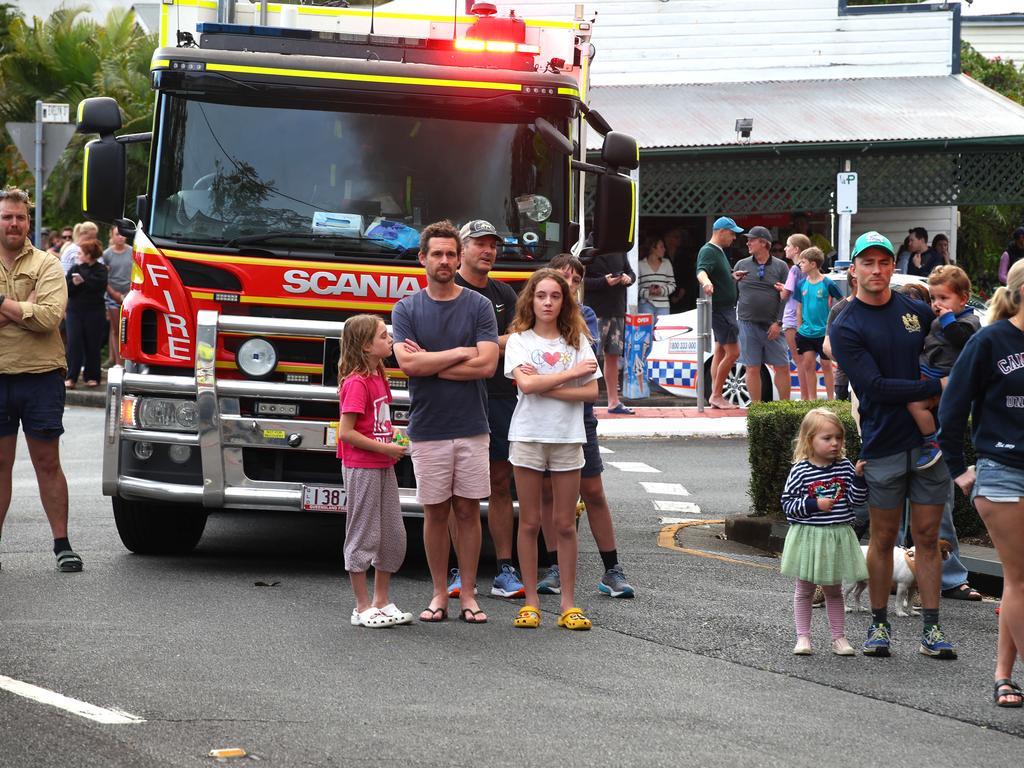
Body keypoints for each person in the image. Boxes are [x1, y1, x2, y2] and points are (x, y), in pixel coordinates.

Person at [828, 231, 956, 659]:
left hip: (927, 446)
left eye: (884, 262)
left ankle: (932, 629)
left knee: (926, 536)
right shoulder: (846, 324)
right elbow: (875, 388)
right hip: (882, 443)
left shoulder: (915, 310)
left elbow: (951, 343)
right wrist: (933, 386)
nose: (877, 270)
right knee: (882, 538)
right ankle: (879, 625)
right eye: (868, 263)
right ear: (854, 270)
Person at [391, 220, 498, 624]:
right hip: (429, 427)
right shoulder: (406, 308)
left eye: (451, 253)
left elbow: (487, 365)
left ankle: (468, 594)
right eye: (437, 253)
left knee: (469, 512)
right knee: (435, 512)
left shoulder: (479, 306)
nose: (445, 260)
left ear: (458, 258)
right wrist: (460, 351)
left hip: (472, 424)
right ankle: (439, 594)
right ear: (422, 258)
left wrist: (431, 362)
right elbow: (406, 364)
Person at [938, 258, 1024, 706]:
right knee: (1021, 578)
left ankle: (1004, 676)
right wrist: (959, 470)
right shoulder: (990, 340)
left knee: (1017, 581)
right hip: (1004, 472)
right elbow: (951, 409)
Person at [504, 269, 600, 631]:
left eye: (555, 296)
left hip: (567, 436)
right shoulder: (519, 340)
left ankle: (569, 604)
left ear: (565, 301)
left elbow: (591, 393)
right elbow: (525, 386)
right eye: (541, 295)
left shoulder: (577, 340)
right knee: (528, 521)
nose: (547, 302)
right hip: (528, 436)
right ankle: (530, 603)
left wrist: (545, 385)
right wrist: (568, 374)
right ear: (531, 299)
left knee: (564, 523)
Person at [538, 253, 635, 599]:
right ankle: (552, 566)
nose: (568, 285)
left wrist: (546, 379)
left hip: (580, 418)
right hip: (542, 419)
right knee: (548, 493)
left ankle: (612, 569)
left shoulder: (586, 315)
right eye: (561, 277)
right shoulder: (531, 321)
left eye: (575, 280)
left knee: (593, 490)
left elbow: (585, 360)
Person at [0, 188, 81, 573]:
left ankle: (62, 544)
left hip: (41, 376)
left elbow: (50, 318)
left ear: (29, 222)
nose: (13, 223)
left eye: (19, 217)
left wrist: (1, 304)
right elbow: (37, 313)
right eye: (6, 217)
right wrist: (24, 306)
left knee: (47, 462)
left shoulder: (48, 264)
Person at [449, 219, 524, 600]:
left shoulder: (504, 292)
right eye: (480, 244)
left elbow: (521, 338)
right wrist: (492, 345)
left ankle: (504, 569)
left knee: (499, 482)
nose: (488, 251)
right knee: (455, 489)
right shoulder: (449, 291)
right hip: (457, 398)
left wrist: (480, 345)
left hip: (499, 397)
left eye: (492, 245)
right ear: (462, 249)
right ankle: (456, 571)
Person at [337, 314, 411, 628]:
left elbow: (376, 424)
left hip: (381, 465)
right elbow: (346, 432)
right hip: (362, 467)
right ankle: (361, 606)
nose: (390, 339)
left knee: (392, 535)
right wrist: (385, 448)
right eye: (383, 336)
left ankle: (381, 601)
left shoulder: (379, 376)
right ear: (367, 346)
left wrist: (393, 437)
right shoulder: (356, 382)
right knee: (363, 534)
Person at [780, 408, 868, 656]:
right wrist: (813, 505)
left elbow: (856, 500)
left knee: (833, 589)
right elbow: (788, 505)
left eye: (838, 438)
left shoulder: (845, 467)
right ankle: (803, 637)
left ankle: (839, 637)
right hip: (809, 536)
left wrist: (859, 479)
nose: (835, 443)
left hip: (837, 536)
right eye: (827, 438)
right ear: (810, 440)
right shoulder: (800, 470)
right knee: (804, 589)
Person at [905, 266, 980, 471]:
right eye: (933, 298)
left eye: (943, 298)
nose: (937, 304)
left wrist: (947, 320)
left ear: (963, 299)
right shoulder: (940, 318)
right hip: (929, 374)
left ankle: (932, 442)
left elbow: (963, 340)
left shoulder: (968, 321)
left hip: (944, 379)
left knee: (915, 405)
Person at [733, 225, 791, 403]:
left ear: (764, 243)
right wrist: (732, 278)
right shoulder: (741, 264)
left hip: (773, 325)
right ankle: (756, 409)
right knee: (752, 367)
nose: (748, 242)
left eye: (752, 239)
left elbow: (787, 297)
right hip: (747, 323)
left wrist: (778, 322)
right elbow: (732, 292)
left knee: (782, 366)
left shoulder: (781, 267)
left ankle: (785, 407)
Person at [696, 216, 744, 410]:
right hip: (721, 311)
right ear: (721, 231)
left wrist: (731, 276)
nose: (734, 238)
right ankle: (716, 395)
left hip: (724, 309)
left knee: (721, 351)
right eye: (732, 233)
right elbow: (701, 271)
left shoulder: (719, 251)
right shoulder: (709, 251)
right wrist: (706, 283)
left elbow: (714, 272)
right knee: (734, 353)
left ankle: (715, 395)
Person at [583, 249, 635, 414]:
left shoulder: (620, 249)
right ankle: (586, 403)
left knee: (613, 356)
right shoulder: (587, 250)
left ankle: (614, 401)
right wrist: (604, 282)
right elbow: (582, 282)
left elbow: (631, 273)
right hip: (594, 313)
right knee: (589, 357)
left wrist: (628, 278)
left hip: (617, 311)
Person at [794, 247, 843, 400]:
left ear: (813, 264)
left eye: (803, 262)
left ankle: (830, 399)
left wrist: (835, 325)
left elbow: (842, 303)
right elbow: (799, 307)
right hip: (806, 332)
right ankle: (812, 400)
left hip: (824, 332)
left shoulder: (828, 283)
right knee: (808, 365)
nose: (800, 265)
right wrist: (798, 327)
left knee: (826, 365)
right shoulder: (801, 284)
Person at [64, 239, 109, 390]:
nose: (78, 255)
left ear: (89, 255)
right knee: (74, 343)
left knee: (93, 344)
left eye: (81, 252)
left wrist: (84, 282)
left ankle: (92, 376)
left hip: (94, 312)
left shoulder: (101, 270)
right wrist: (74, 284)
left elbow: (99, 285)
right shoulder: (75, 268)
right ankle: (71, 376)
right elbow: (66, 289)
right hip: (75, 311)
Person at [778, 234, 813, 398]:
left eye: (787, 245)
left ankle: (805, 397)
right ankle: (809, 397)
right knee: (807, 361)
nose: (785, 248)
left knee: (799, 361)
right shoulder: (809, 269)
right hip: (807, 318)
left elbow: (785, 295)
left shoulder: (794, 269)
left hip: (792, 318)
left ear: (796, 249)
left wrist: (781, 289)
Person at [103, 226, 133, 367]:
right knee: (116, 329)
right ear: (112, 236)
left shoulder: (132, 252)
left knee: (129, 330)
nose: (120, 237)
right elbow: (103, 278)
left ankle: (130, 362)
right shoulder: (107, 255)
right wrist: (113, 293)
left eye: (122, 234)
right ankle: (118, 362)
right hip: (112, 295)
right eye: (117, 234)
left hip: (130, 295)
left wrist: (129, 293)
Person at [637, 234, 676, 317]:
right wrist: (648, 292)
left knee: (662, 329)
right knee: (646, 330)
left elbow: (672, 285)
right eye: (661, 247)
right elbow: (634, 288)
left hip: (663, 306)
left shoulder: (667, 263)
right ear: (652, 248)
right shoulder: (640, 265)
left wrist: (661, 290)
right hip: (646, 304)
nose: (664, 249)